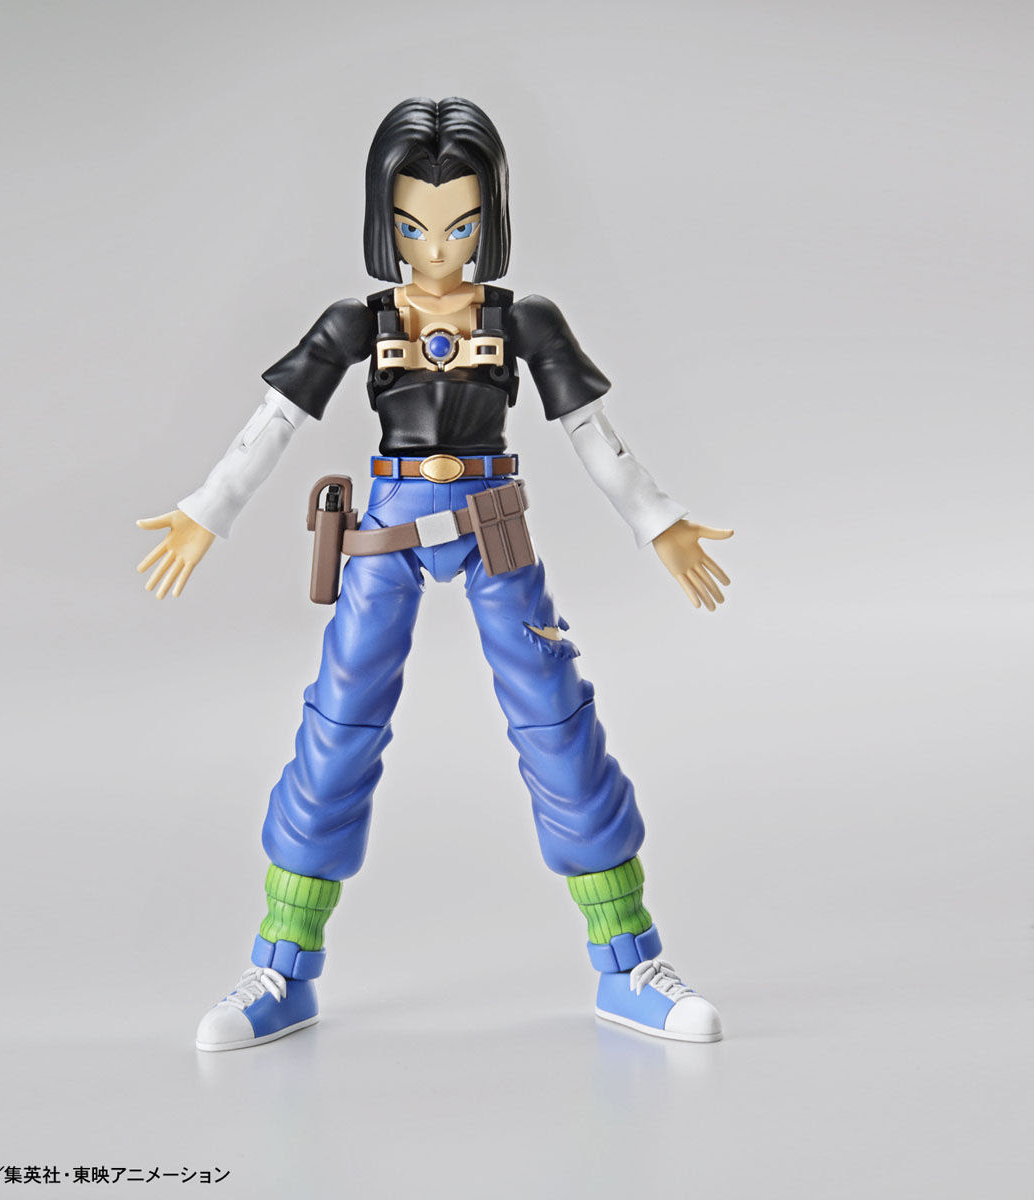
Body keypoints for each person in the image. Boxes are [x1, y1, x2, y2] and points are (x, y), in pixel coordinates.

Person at [136, 97, 734, 1051]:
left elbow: (592, 432)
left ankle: (628, 962)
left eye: (461, 225)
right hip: (389, 527)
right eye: (415, 226)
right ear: (386, 221)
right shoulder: (359, 321)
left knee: (556, 721)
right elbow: (275, 422)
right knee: (339, 723)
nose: (440, 247)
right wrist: (208, 508)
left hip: (494, 522)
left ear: (491, 218)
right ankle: (281, 965)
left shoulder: (522, 318)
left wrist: (657, 522)